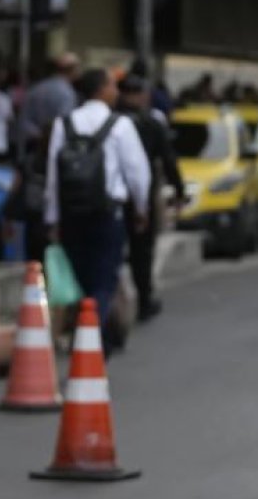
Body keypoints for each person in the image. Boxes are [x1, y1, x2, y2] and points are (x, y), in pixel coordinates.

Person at [44, 69, 151, 355]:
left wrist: (52, 218)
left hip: (71, 214)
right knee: (104, 280)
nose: (116, 92)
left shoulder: (62, 125)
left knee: (80, 280)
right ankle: (92, 344)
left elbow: (54, 178)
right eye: (113, 86)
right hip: (107, 214)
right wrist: (141, 209)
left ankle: (90, 335)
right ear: (102, 89)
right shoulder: (120, 125)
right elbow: (138, 173)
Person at [118, 74, 185, 322]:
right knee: (142, 252)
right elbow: (168, 160)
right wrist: (178, 191)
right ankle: (143, 300)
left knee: (112, 253)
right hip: (139, 197)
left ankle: (107, 305)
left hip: (108, 198)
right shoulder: (149, 123)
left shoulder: (107, 121)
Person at [14, 53, 80, 264]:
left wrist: (40, 137)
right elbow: (66, 126)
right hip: (57, 155)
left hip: (35, 152)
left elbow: (23, 124)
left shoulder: (35, 90)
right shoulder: (66, 94)